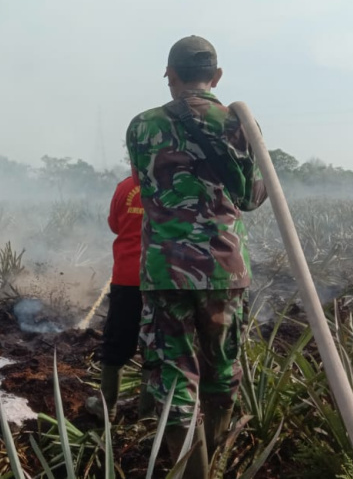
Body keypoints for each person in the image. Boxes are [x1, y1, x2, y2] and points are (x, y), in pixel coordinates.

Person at [125, 35, 268, 477]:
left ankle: (192, 471)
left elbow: (142, 185)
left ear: (170, 75)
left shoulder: (142, 126)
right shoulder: (239, 123)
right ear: (216, 76)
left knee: (173, 376)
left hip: (165, 269)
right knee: (222, 369)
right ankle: (216, 458)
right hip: (223, 268)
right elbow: (251, 198)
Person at [85, 174, 155, 422]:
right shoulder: (170, 182)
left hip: (126, 277)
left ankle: (106, 407)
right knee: (155, 345)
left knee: (116, 341)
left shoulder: (125, 187)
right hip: (160, 280)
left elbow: (115, 225)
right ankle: (147, 416)